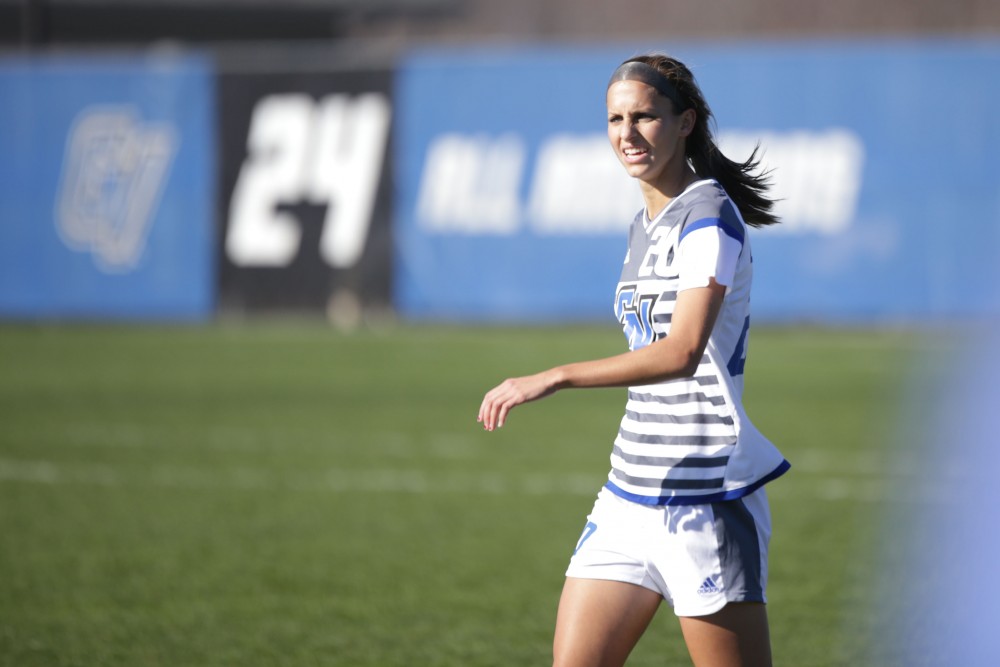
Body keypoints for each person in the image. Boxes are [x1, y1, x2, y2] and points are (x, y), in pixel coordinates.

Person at [477, 53, 790, 667]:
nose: (627, 133)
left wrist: (556, 375)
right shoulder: (643, 226)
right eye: (616, 118)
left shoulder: (709, 218)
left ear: (685, 123)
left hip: (705, 501)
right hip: (627, 494)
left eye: (645, 116)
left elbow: (680, 353)